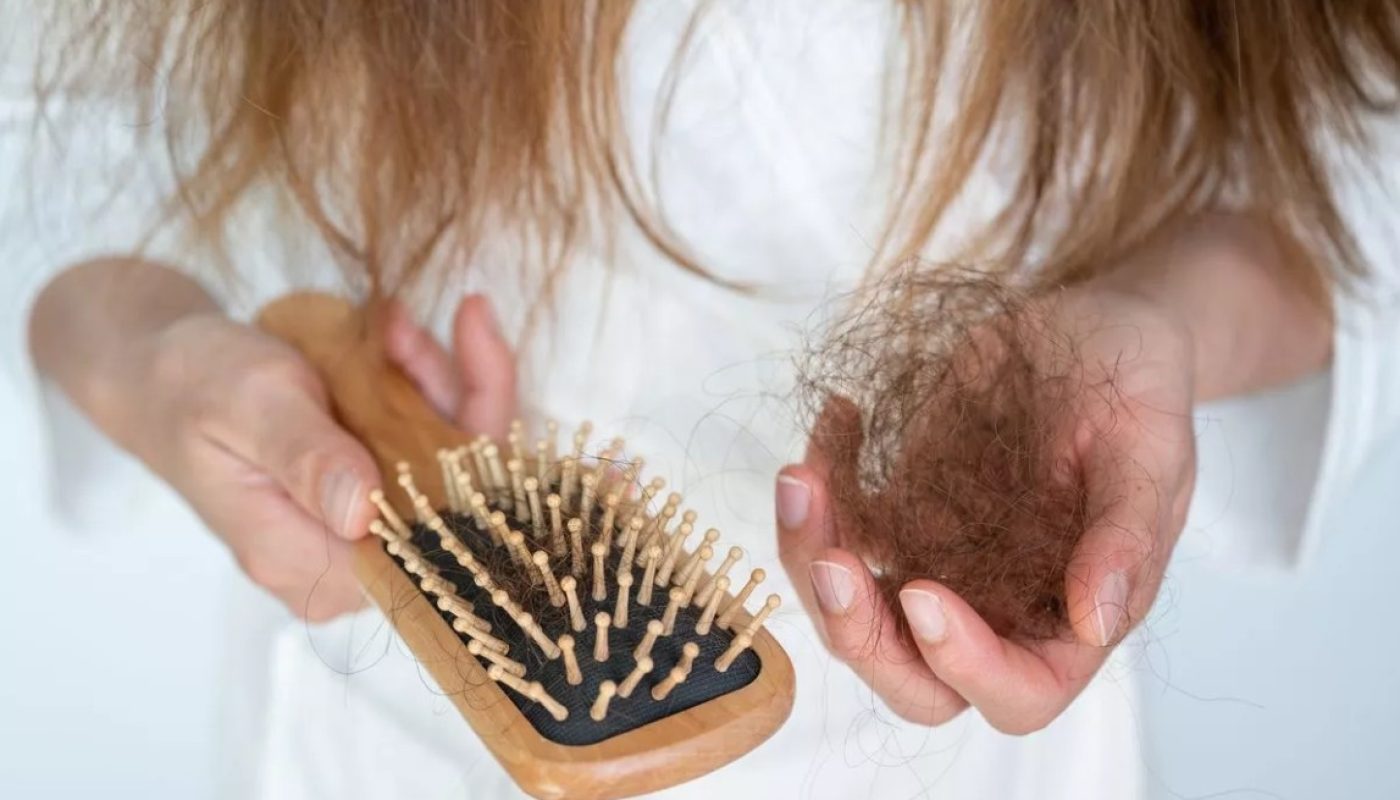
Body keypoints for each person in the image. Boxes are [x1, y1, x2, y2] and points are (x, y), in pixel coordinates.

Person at [9, 2, 1400, 798]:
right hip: (404, 741)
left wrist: (1153, 317)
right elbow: (66, 139)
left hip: (965, 763)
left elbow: (1339, 162)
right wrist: (150, 352)